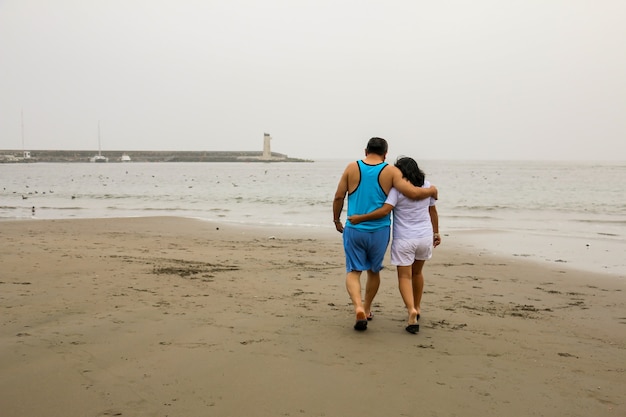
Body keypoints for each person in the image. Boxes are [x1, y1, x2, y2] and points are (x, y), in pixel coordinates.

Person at [332, 138, 438, 331]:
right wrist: (432, 190)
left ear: (365, 150)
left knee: (354, 272)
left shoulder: (351, 167)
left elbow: (339, 196)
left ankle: (358, 307)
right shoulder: (391, 171)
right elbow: (414, 193)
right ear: (386, 153)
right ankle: (367, 307)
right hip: (380, 231)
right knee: (374, 271)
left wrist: (336, 220)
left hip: (355, 228)